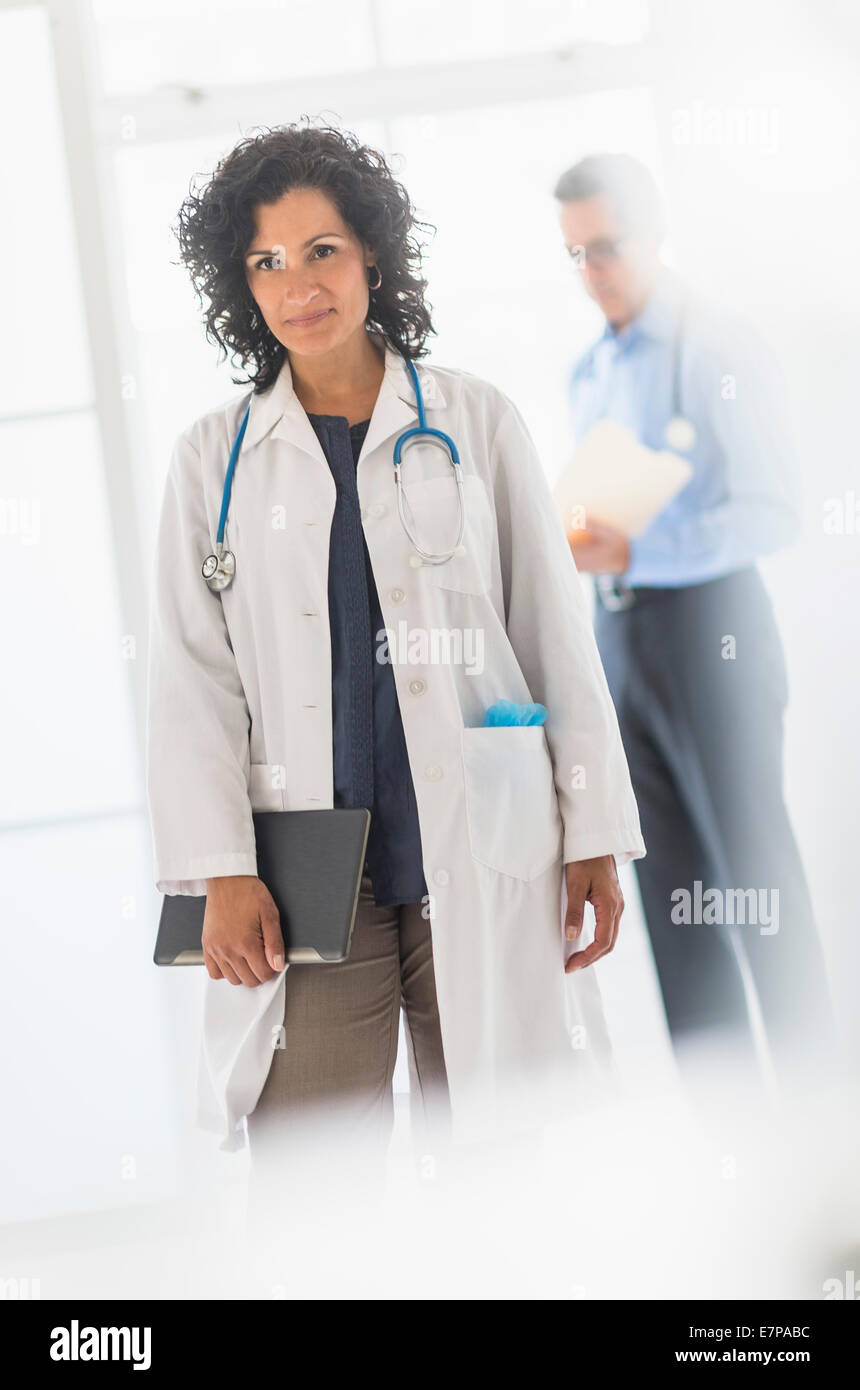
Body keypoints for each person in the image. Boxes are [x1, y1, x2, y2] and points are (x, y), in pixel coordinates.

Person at [145, 122, 645, 1188]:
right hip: (305, 876)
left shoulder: (474, 419)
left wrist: (594, 829)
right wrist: (221, 871)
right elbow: (190, 682)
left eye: (320, 250)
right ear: (242, 284)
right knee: (314, 1182)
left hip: (484, 840)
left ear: (371, 254)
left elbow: (550, 639)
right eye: (265, 262)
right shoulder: (210, 463)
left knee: (506, 1167)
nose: (298, 284)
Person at [553, 152, 837, 1091]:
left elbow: (775, 509)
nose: (594, 271)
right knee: (674, 896)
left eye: (609, 246)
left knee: (753, 882)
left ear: (657, 229)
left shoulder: (718, 346)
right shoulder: (589, 369)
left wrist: (638, 552)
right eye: (577, 255)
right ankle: (730, 1134)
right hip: (622, 641)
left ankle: (819, 1132)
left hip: (712, 632)